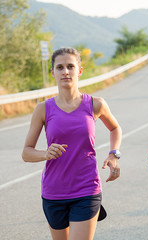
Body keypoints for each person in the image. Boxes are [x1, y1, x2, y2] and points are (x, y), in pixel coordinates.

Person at [22, 47, 122, 240]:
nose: (65, 71)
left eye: (70, 66)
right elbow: (26, 152)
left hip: (86, 189)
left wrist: (114, 154)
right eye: (60, 67)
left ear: (79, 70)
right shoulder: (43, 109)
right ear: (53, 72)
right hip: (53, 192)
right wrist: (45, 153)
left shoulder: (95, 104)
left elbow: (115, 128)